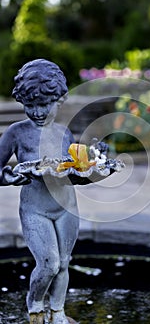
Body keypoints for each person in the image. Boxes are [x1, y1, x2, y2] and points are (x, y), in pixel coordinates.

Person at [0, 59, 79, 324]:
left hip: (66, 206)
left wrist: (92, 167)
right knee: (48, 264)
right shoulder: (16, 133)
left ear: (60, 99)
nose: (38, 111)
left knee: (64, 263)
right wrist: (9, 178)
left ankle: (58, 312)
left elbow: (75, 170)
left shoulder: (64, 133)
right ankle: (35, 307)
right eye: (30, 105)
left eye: (45, 104)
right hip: (36, 208)